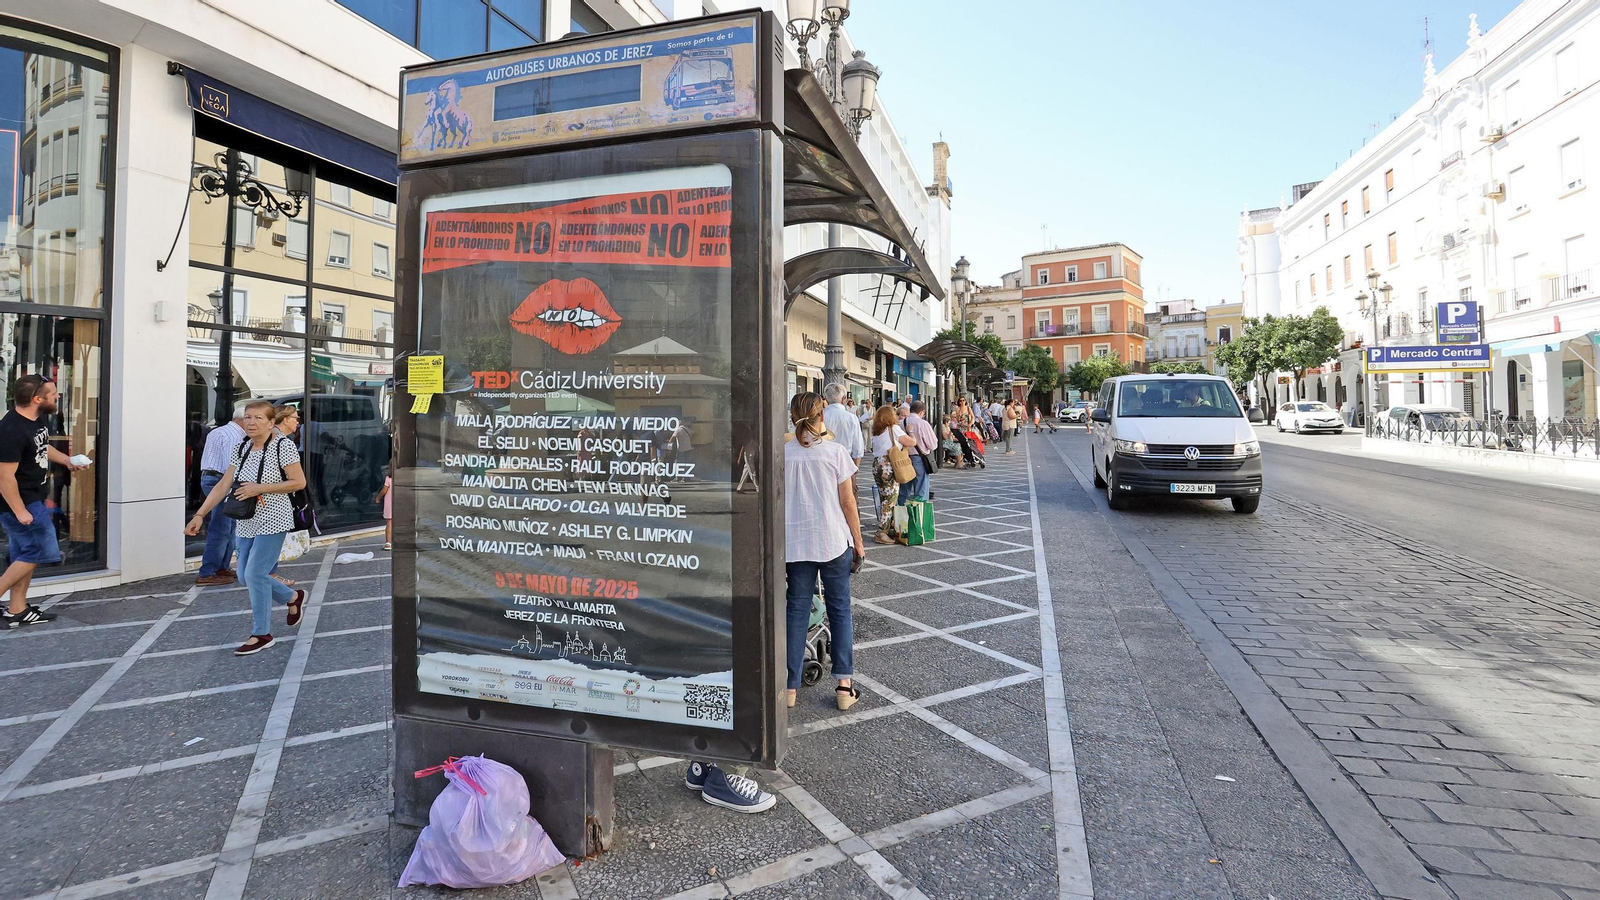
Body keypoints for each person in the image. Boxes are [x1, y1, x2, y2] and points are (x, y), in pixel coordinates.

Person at [185, 399, 309, 656]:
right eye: (248, 418)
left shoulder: (283, 447)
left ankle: (261, 633)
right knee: (244, 576)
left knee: (254, 574)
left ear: (271, 422)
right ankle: (291, 597)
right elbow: (223, 485)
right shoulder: (241, 447)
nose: (252, 422)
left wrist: (260, 487)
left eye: (259, 418)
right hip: (246, 519)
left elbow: (298, 482)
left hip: (275, 517)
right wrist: (199, 514)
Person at [785, 392, 865, 713]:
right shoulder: (835, 452)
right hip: (833, 541)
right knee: (840, 610)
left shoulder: (781, 453)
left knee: (796, 612)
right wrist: (858, 542)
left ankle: (789, 688)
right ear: (822, 418)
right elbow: (848, 502)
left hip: (796, 544)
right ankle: (844, 686)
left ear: (794, 418)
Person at [0, 376, 86, 627]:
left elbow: (43, 447)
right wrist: (20, 511)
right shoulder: (10, 430)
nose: (57, 396)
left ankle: (17, 608)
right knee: (40, 550)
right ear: (37, 399)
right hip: (21, 504)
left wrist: (67, 460)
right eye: (53, 393)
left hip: (32, 500)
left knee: (25, 555)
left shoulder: (34, 422)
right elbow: (4, 478)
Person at [194, 413, 247, 586]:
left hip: (212, 477)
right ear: (243, 418)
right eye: (251, 417)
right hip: (221, 480)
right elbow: (230, 467)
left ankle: (220, 567)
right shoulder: (235, 436)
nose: (253, 422)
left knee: (228, 526)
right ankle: (208, 571)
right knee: (222, 528)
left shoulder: (219, 431)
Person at [869, 405, 915, 545]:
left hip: (877, 465)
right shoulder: (894, 429)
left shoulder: (877, 432)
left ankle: (888, 526)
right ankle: (881, 532)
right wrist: (911, 432)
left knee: (884, 497)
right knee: (891, 499)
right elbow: (912, 442)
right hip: (889, 466)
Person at [901, 401, 937, 503]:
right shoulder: (923, 423)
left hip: (903, 458)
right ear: (921, 412)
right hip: (919, 458)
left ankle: (902, 512)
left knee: (904, 486)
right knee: (921, 487)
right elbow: (932, 444)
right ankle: (920, 513)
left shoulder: (900, 423)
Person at [821, 383, 863, 465]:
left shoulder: (821, 417)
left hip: (824, 462)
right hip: (845, 462)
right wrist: (855, 469)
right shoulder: (852, 418)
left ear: (826, 398)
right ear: (843, 399)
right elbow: (858, 449)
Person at [948, 399, 977, 467]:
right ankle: (968, 458)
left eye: (963, 400)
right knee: (964, 443)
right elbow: (957, 419)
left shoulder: (968, 408)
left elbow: (972, 417)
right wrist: (958, 420)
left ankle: (972, 458)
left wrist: (971, 423)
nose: (962, 402)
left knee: (970, 442)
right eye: (960, 401)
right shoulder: (958, 409)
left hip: (967, 427)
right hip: (961, 428)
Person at [377, 474, 393, 550]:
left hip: (390, 503)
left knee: (389, 522)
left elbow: (384, 490)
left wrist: (378, 497)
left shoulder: (389, 478)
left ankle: (388, 543)